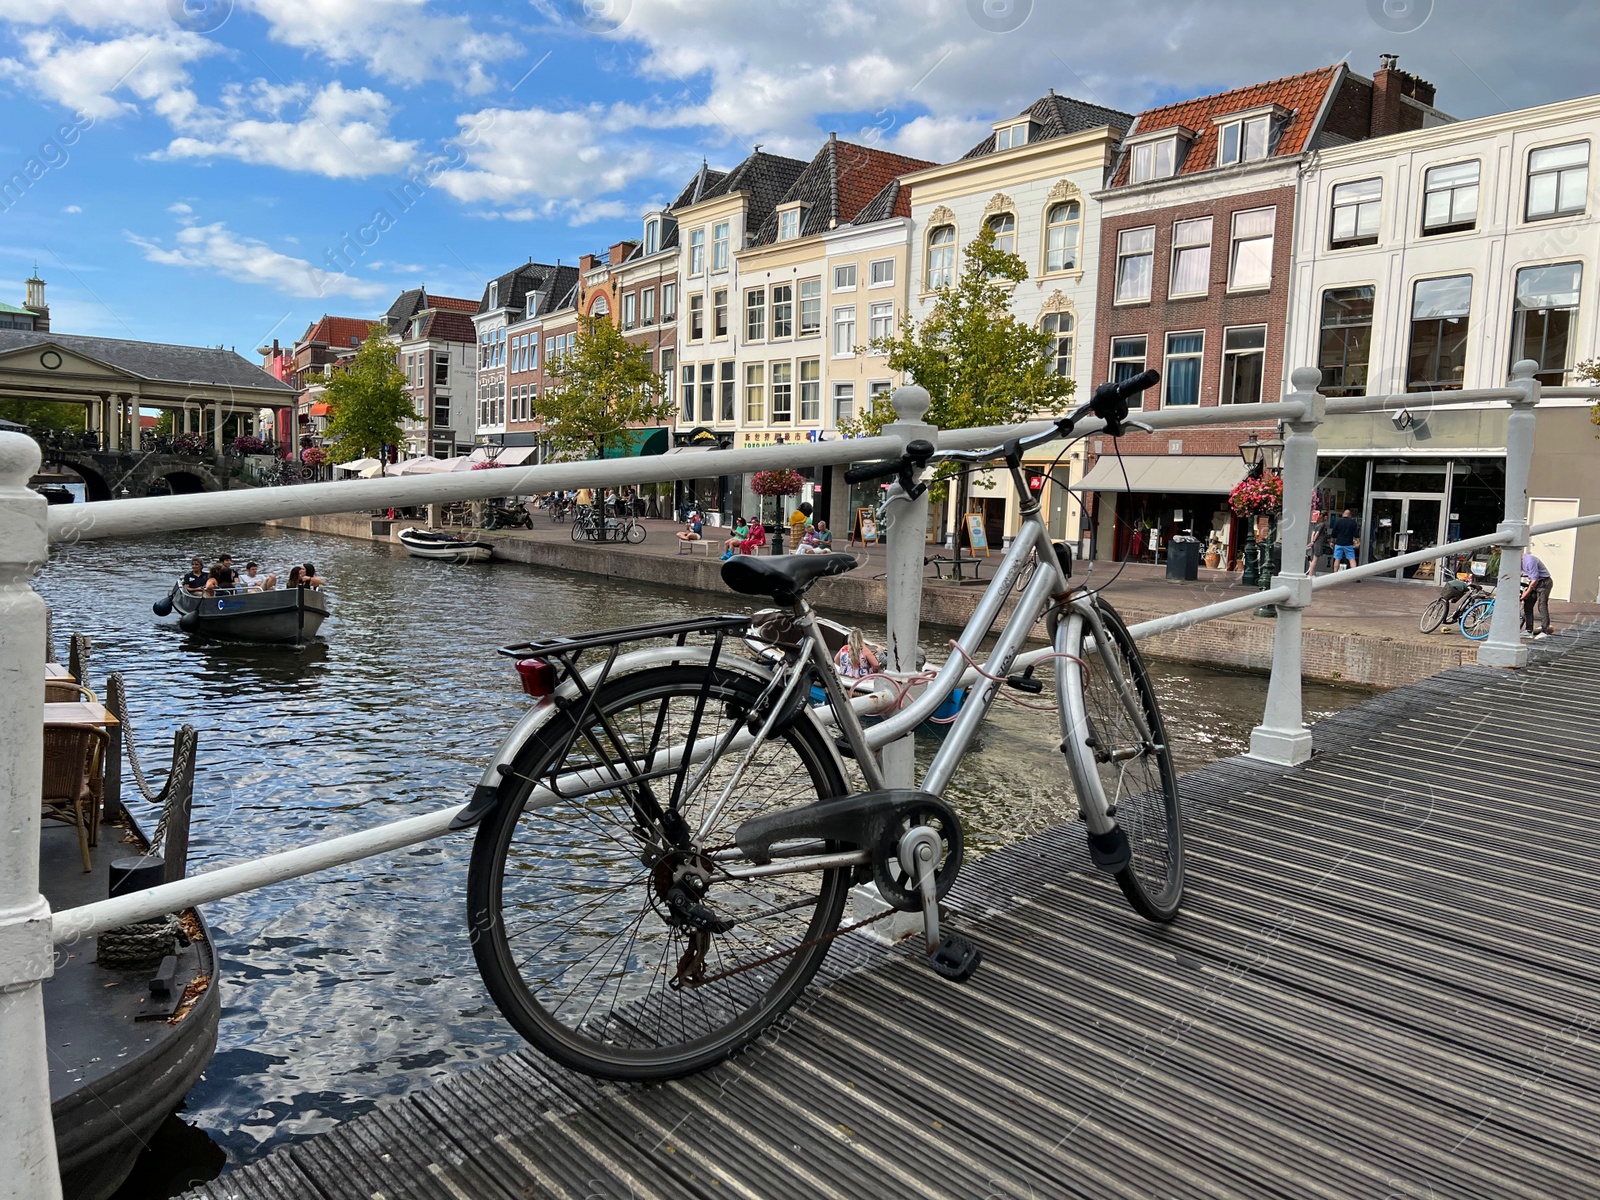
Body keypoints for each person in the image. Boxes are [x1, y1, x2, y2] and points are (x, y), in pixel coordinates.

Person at [1520, 551, 1554, 638]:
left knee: (1542, 606)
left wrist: (1526, 593)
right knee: (1528, 606)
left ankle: (1545, 630)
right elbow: (1519, 573)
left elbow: (1535, 579)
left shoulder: (1529, 560)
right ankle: (1529, 631)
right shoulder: (1518, 561)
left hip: (1544, 582)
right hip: (1533, 583)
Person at [1329, 507, 1361, 572]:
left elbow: (1333, 533)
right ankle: (1355, 575)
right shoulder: (1353, 522)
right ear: (1350, 515)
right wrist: (1358, 542)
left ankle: (1335, 574)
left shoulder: (1338, 521)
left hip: (1339, 543)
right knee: (1352, 559)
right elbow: (1356, 534)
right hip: (1348, 543)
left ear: (1343, 514)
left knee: (1337, 559)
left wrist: (1332, 542)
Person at [1306, 511, 1330, 577]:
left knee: (1314, 559)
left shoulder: (1316, 524)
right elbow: (1317, 533)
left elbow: (1313, 533)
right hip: (1318, 543)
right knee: (1315, 559)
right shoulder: (1322, 524)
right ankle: (1310, 574)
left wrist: (1312, 542)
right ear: (1325, 517)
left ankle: (1311, 573)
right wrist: (1313, 542)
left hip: (1315, 543)